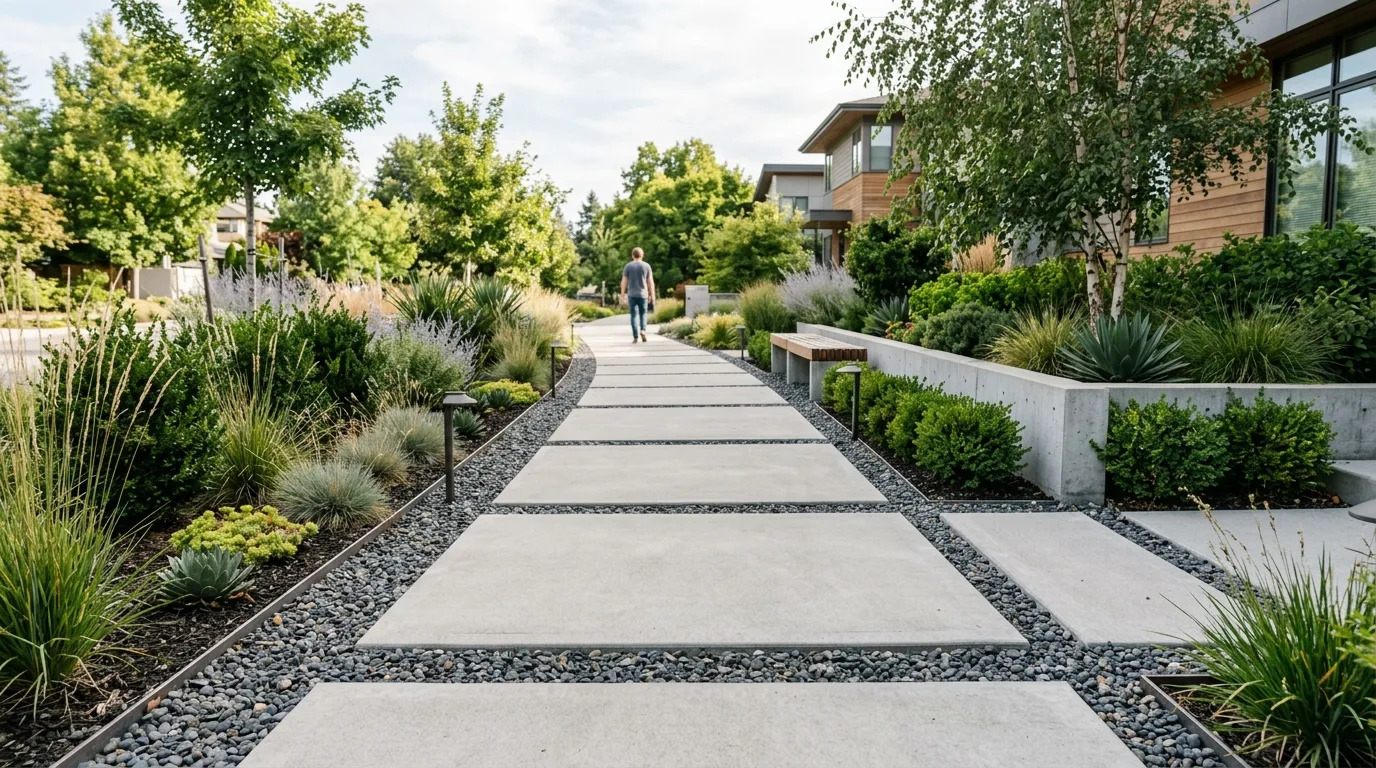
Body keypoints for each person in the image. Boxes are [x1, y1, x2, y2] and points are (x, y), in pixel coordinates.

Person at [620, 247, 656, 343]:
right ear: (642, 255)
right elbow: (650, 282)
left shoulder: (628, 266)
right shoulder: (647, 266)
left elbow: (624, 281)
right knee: (643, 314)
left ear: (632, 255)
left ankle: (635, 337)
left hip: (631, 294)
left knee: (633, 315)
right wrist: (652, 295)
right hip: (643, 294)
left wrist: (622, 295)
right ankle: (643, 330)